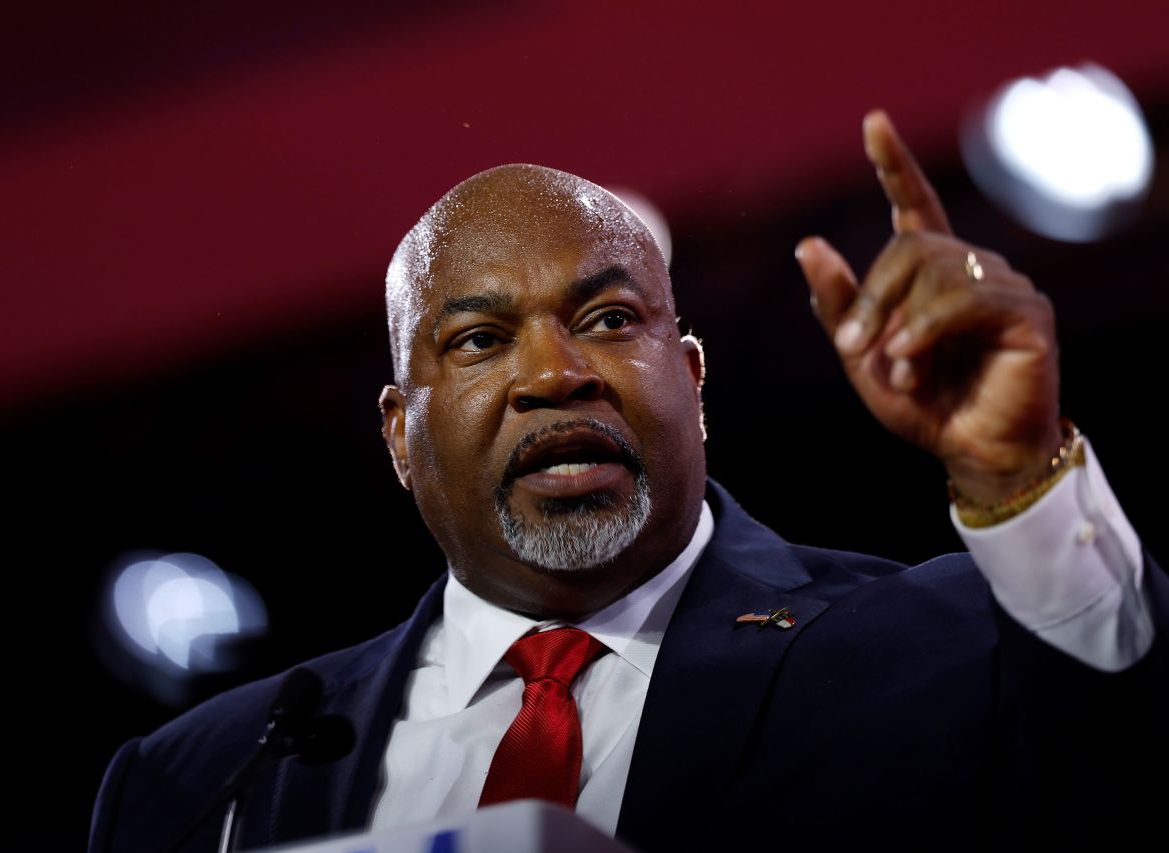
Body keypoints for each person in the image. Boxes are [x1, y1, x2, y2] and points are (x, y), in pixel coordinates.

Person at [88, 111, 1167, 853]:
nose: (555, 373)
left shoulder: (944, 646)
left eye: (608, 321)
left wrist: (1017, 476)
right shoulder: (205, 783)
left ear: (690, 380)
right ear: (396, 435)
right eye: (476, 340)